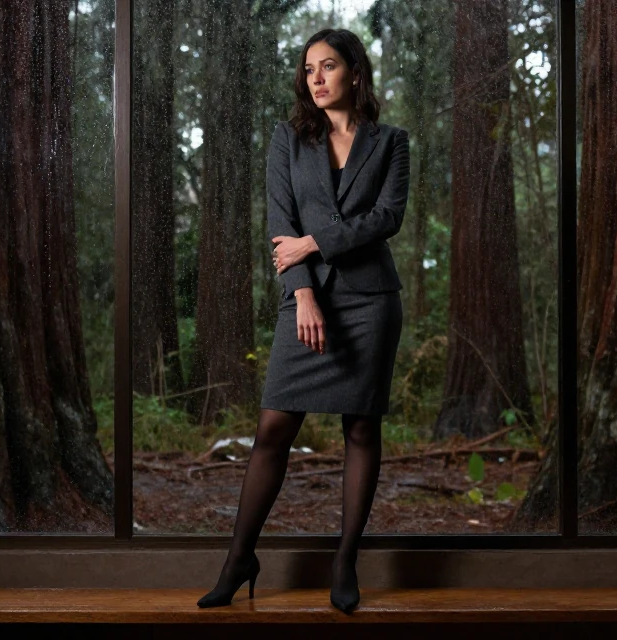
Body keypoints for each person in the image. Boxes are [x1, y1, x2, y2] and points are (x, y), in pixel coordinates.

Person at [197, 27, 410, 615]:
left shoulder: (391, 141)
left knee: (361, 430)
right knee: (272, 431)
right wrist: (305, 298)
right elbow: (279, 223)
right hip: (308, 299)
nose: (316, 78)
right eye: (308, 68)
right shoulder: (288, 139)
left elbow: (387, 218)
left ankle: (345, 560)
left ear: (354, 73)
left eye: (328, 66)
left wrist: (315, 241)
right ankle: (240, 557)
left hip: (372, 302)